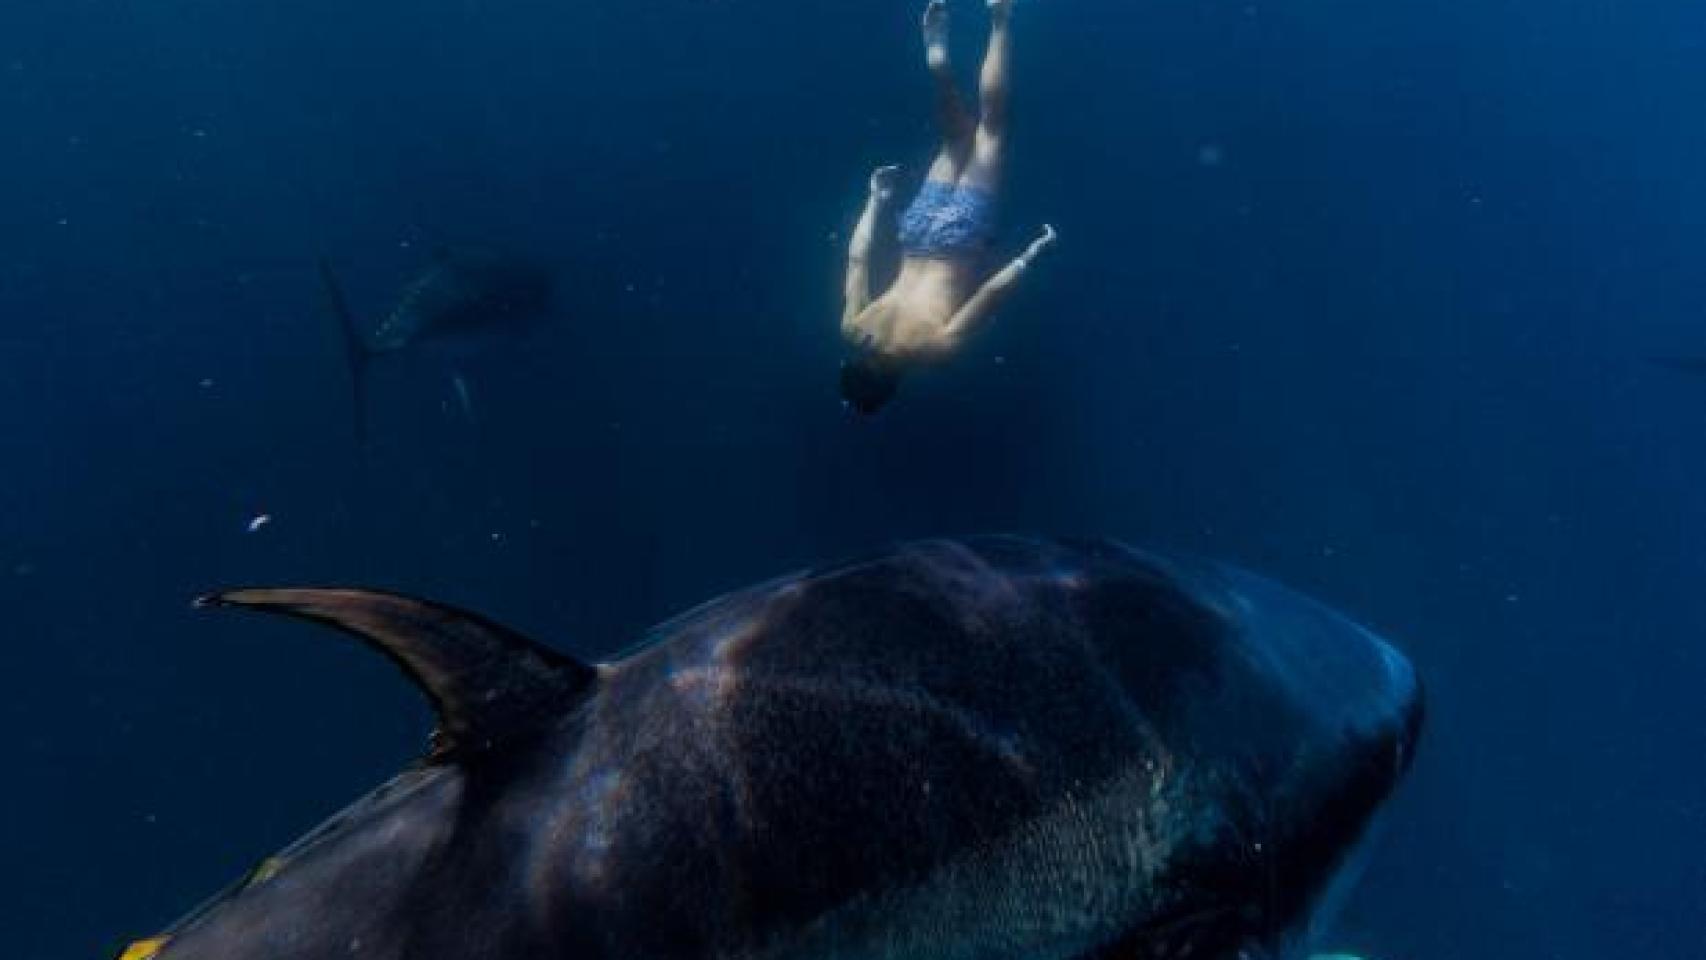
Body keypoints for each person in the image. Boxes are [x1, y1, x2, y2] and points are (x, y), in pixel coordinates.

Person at [840, 0, 1057, 414]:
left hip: (958, 239)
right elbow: (856, 259)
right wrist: (876, 200)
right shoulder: (854, 328)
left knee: (992, 130)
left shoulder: (930, 352)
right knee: (956, 140)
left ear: (892, 387)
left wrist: (1030, 256)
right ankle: (938, 64)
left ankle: (999, 16)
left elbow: (987, 297)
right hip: (916, 232)